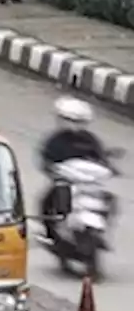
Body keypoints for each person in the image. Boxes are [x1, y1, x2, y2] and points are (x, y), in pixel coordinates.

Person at [38, 96, 109, 241]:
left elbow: (101, 158)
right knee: (45, 202)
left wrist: (108, 167)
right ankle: (50, 233)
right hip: (65, 182)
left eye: (76, 121)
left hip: (88, 185)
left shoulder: (90, 140)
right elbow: (46, 158)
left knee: (110, 200)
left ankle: (100, 233)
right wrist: (52, 170)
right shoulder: (56, 140)